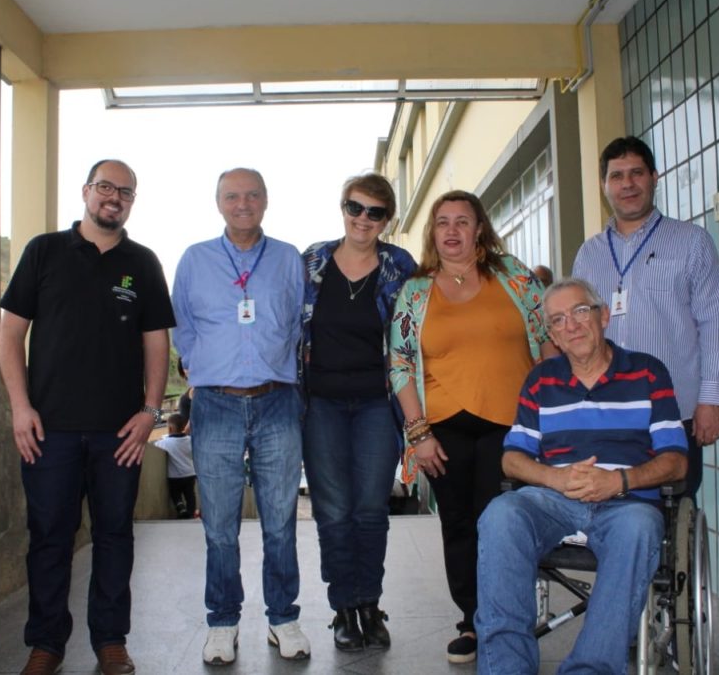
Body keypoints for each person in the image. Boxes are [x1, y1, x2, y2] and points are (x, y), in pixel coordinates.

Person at [0, 159, 174, 675]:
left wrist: (150, 412)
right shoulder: (43, 251)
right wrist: (19, 406)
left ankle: (110, 641)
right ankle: (47, 643)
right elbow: (10, 335)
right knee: (50, 536)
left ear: (131, 202)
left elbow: (156, 343)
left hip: (119, 434)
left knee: (115, 535)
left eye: (124, 191)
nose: (113, 198)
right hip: (47, 430)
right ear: (86, 192)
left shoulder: (142, 263)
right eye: (105, 187)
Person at [474, 277, 688, 674]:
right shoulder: (541, 380)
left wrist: (619, 481)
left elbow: (676, 460)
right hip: (555, 499)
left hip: (626, 504)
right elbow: (512, 459)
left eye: (579, 312)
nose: (570, 325)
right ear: (552, 335)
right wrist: (555, 479)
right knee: (501, 515)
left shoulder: (647, 373)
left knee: (641, 528)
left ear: (603, 315)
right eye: (558, 320)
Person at [388, 190, 555, 664]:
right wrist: (418, 434)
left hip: (513, 426)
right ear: (432, 231)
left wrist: (560, 410)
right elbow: (399, 364)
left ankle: (506, 621)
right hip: (442, 429)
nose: (453, 231)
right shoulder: (415, 291)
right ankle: (473, 621)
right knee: (458, 525)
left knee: (500, 524)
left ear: (480, 228)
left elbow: (546, 341)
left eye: (463, 221)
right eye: (443, 222)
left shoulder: (514, 276)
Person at [172, 167, 309, 666]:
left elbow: (296, 324)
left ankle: (283, 617)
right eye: (232, 195)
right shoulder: (195, 260)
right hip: (216, 403)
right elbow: (182, 328)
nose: (243, 203)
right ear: (219, 203)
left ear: (266, 201)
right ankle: (222, 621)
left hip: (277, 401)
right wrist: (207, 369)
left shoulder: (289, 259)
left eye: (252, 194)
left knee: (279, 520)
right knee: (220, 526)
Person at [572, 135, 719, 496]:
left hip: (675, 409)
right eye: (616, 176)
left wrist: (711, 399)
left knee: (673, 507)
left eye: (636, 173)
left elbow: (715, 324)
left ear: (655, 178)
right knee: (609, 507)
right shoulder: (589, 254)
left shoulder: (691, 242)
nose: (627, 184)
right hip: (606, 411)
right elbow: (577, 329)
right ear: (603, 185)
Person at [301, 173, 417, 651]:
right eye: (355, 207)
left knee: (370, 511)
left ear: (387, 219)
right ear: (342, 208)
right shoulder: (312, 261)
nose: (362, 219)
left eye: (374, 212)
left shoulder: (399, 266)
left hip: (375, 402)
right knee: (332, 512)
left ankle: (369, 603)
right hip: (321, 404)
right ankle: (344, 608)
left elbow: (415, 332)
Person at [153, 413, 197, 518]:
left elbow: (155, 446)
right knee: (190, 494)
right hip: (190, 474)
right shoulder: (191, 441)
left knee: (175, 494)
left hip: (174, 476)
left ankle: (181, 508)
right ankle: (191, 513)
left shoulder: (164, 443)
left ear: (170, 428)